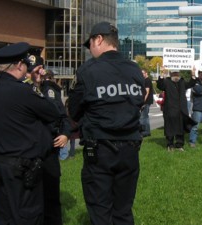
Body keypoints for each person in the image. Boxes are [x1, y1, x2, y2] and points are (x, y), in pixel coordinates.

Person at [67, 21, 145, 225]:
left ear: (99, 39)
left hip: (100, 150)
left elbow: (74, 110)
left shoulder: (88, 70)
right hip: (130, 149)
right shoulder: (134, 69)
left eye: (90, 44)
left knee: (101, 211)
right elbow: (138, 104)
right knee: (123, 210)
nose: (90, 49)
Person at [0, 42, 61, 225]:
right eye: (25, 64)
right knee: (27, 217)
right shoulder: (23, 91)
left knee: (2, 217)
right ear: (18, 65)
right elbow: (53, 112)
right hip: (21, 170)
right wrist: (42, 83)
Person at [35, 65, 70, 225]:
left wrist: (65, 134)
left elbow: (62, 116)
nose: (41, 78)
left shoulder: (51, 90)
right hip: (31, 148)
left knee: (51, 194)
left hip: (49, 147)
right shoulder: (25, 89)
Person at [156, 69, 197, 151]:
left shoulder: (182, 81)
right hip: (170, 109)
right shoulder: (166, 82)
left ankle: (179, 145)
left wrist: (193, 74)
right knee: (170, 128)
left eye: (177, 73)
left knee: (180, 128)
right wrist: (161, 75)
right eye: (174, 73)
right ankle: (170, 145)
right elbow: (159, 85)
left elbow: (191, 84)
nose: (176, 75)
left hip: (181, 109)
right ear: (171, 74)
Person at [140, 69, 154, 137]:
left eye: (143, 73)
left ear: (146, 73)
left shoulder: (147, 80)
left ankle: (145, 132)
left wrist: (143, 101)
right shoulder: (145, 80)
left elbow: (147, 92)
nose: (142, 75)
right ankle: (147, 132)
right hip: (147, 101)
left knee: (143, 117)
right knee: (146, 117)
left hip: (146, 101)